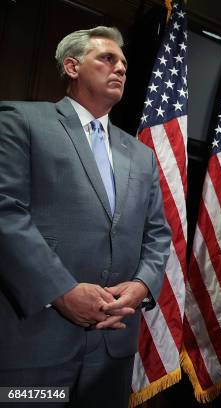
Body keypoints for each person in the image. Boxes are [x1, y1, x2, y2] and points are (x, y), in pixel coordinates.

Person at [0, 26, 171, 407]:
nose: (121, 68)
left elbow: (158, 234)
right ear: (72, 66)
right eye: (108, 58)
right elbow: (5, 213)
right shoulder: (21, 120)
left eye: (124, 63)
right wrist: (61, 291)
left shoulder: (141, 155)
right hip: (36, 346)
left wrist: (141, 286)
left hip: (112, 351)